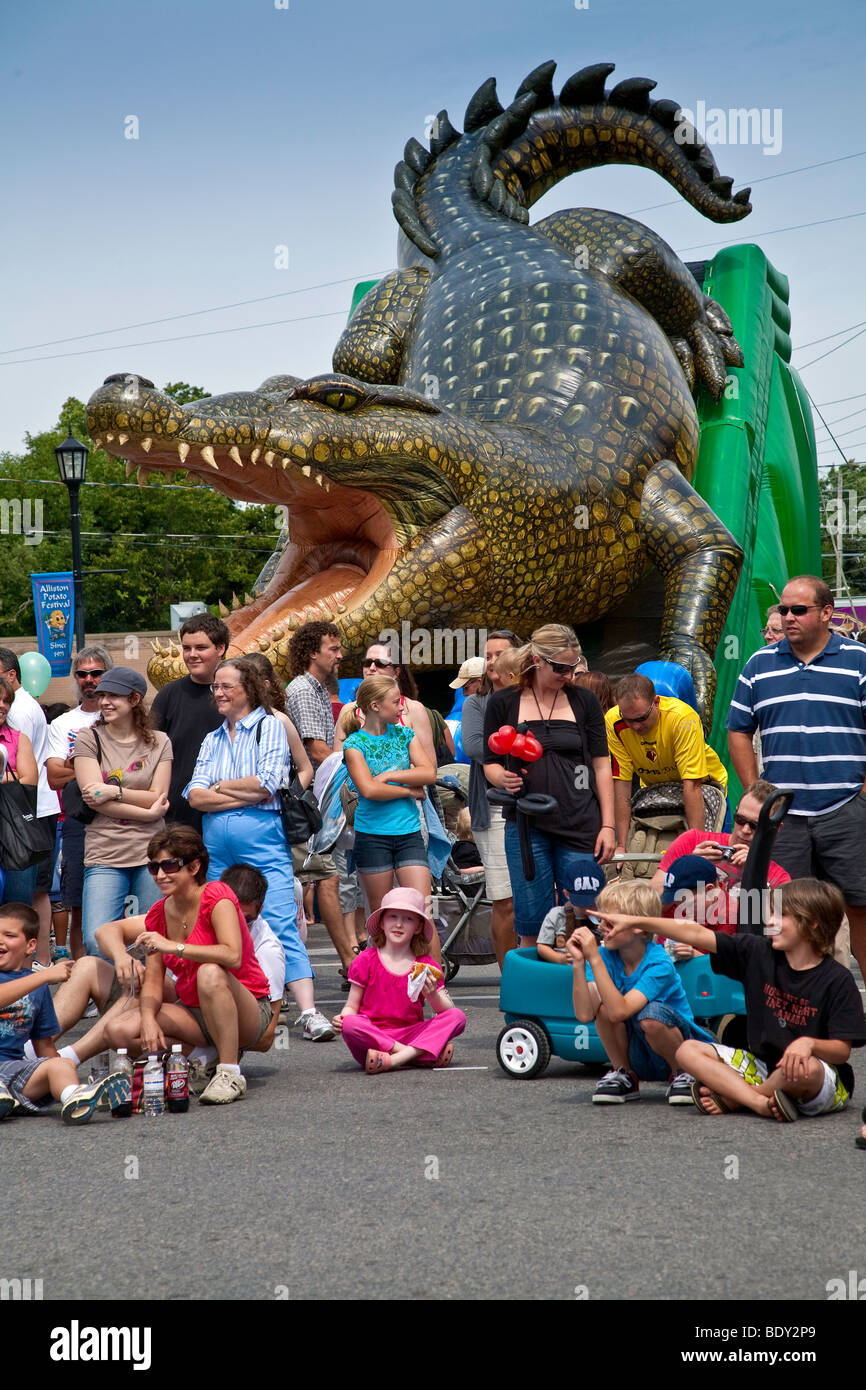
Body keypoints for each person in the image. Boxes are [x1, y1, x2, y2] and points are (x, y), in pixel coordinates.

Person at [611, 879, 866, 1121]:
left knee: (804, 1070)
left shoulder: (837, 979)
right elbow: (695, 933)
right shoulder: (757, 952)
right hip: (764, 1066)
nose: (770, 921)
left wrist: (809, 1044)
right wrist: (637, 921)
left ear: (813, 923)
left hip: (817, 1076)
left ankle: (739, 1097)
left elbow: (842, 1052)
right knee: (688, 1051)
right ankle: (759, 1102)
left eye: (780, 915)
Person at [185, 658, 334, 1041]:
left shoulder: (269, 726)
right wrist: (238, 793)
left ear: (248, 689)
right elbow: (194, 795)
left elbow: (268, 784)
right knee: (220, 926)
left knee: (281, 921)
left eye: (226, 686)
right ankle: (241, 1006)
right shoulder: (212, 738)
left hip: (263, 840)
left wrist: (219, 788)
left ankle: (309, 1012)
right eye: (215, 687)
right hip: (217, 846)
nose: (217, 693)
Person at [727, 574, 866, 982]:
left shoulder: (858, 659)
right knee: (783, 910)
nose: (787, 617)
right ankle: (789, 999)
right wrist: (756, 791)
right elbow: (738, 729)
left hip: (846, 808)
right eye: (783, 610)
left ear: (826, 613)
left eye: (798, 610)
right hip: (783, 815)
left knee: (859, 905)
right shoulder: (759, 664)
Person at [104, 828, 273, 1105]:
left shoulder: (217, 895)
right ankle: (199, 1058)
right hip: (195, 1013)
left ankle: (229, 1072)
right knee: (117, 1032)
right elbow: (155, 982)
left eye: (170, 865)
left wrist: (173, 946)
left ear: (194, 866)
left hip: (247, 1007)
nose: (160, 875)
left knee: (209, 970)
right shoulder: (159, 912)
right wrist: (147, 1018)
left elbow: (232, 956)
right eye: (154, 867)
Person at [483, 623, 614, 946]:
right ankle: (534, 991)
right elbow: (489, 761)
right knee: (532, 921)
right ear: (538, 660)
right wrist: (502, 777)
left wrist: (609, 825)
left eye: (572, 667)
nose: (568, 675)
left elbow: (601, 764)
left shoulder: (583, 701)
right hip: (528, 824)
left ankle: (587, 988)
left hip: (580, 819)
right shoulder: (504, 703)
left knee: (585, 912)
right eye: (560, 668)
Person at [564, 878, 715, 1104]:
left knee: (650, 1015)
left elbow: (621, 1011)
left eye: (609, 922)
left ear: (636, 927)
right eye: (600, 919)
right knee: (603, 1009)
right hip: (639, 1050)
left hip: (681, 1048)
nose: (600, 928)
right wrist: (578, 963)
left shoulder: (659, 963)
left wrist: (593, 957)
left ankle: (682, 1073)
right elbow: (586, 1014)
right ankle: (623, 1073)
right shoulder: (605, 957)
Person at [0, 902, 130, 1124]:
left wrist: (63, 1076)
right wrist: (43, 976)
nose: (0, 940)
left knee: (62, 1064)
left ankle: (77, 1098)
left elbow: (44, 1046)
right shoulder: (39, 981)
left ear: (31, 946)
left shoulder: (38, 990)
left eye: (9, 935)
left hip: (12, 1070)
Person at [73, 668, 172, 956]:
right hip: (105, 852)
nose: (104, 701)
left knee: (153, 938)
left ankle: (147, 997)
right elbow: (94, 799)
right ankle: (108, 998)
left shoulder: (160, 741)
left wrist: (114, 791)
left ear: (134, 699)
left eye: (113, 695)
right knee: (96, 939)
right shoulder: (89, 739)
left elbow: (158, 795)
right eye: (102, 695)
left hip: (152, 853)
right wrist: (150, 814)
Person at [285, 621, 357, 974]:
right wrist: (355, 777)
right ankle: (348, 961)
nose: (340, 654)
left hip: (308, 800)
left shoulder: (314, 689)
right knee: (325, 877)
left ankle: (347, 958)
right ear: (313, 652)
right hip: (304, 803)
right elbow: (318, 751)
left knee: (324, 878)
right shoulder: (303, 690)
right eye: (333, 648)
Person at [333, 887, 466, 1072]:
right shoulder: (365, 960)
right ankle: (418, 1055)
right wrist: (342, 1017)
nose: (399, 924)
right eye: (393, 917)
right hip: (374, 1036)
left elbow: (446, 1011)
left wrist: (433, 994)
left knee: (457, 1016)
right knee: (351, 1023)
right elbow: (351, 1006)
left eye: (408, 919)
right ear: (381, 922)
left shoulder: (426, 965)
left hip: (411, 1032)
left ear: (418, 927)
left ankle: (395, 1060)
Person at [650, 780, 791, 943]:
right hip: (674, 951)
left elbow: (774, 935)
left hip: (730, 960)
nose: (745, 830)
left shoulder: (778, 877)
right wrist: (687, 868)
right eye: (739, 819)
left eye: (755, 825)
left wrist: (755, 873)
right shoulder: (693, 840)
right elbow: (649, 903)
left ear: (776, 829)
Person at [342, 675, 435, 914]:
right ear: (375, 706)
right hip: (372, 835)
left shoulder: (405, 734)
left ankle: (428, 954)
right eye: (395, 702)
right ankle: (381, 954)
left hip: (409, 832)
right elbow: (369, 790)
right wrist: (408, 791)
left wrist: (389, 776)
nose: (401, 706)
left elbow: (428, 773)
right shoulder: (354, 744)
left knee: (423, 910)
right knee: (381, 912)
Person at [45, 644, 115, 962]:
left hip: (122, 819)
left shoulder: (121, 715)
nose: (89, 679)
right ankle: (87, 978)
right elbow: (54, 777)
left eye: (96, 673)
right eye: (82, 674)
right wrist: (92, 764)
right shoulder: (62, 723)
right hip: (78, 821)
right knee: (78, 904)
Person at [606, 673, 728, 853]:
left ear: (656, 702)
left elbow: (692, 786)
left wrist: (699, 846)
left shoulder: (681, 718)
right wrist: (622, 846)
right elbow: (622, 785)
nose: (635, 727)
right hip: (659, 792)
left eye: (641, 718)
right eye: (628, 720)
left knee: (711, 858)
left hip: (705, 787)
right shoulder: (613, 720)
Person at [461, 630, 521, 967]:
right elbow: (472, 746)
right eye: (489, 654)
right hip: (494, 808)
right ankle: (510, 978)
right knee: (505, 900)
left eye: (500, 653)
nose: (492, 661)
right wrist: (521, 750)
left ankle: (536, 972)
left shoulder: (531, 698)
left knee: (533, 900)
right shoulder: (476, 702)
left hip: (532, 806)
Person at [0, 648, 60, 967]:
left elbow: (27, 781)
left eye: (5, 701)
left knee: (21, 905)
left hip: (19, 831)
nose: (2, 705)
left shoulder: (18, 730)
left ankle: (26, 973)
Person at [150, 614, 229, 830]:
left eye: (201, 647)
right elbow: (149, 750)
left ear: (220, 648)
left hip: (228, 811)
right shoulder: (169, 694)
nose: (192, 655)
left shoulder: (239, 695)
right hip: (178, 816)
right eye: (187, 648)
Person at [535, 855, 605, 964]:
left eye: (592, 903)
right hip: (564, 968)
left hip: (596, 967)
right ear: (567, 894)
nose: (587, 909)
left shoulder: (605, 916)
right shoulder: (556, 915)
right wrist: (560, 959)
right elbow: (542, 947)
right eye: (582, 903)